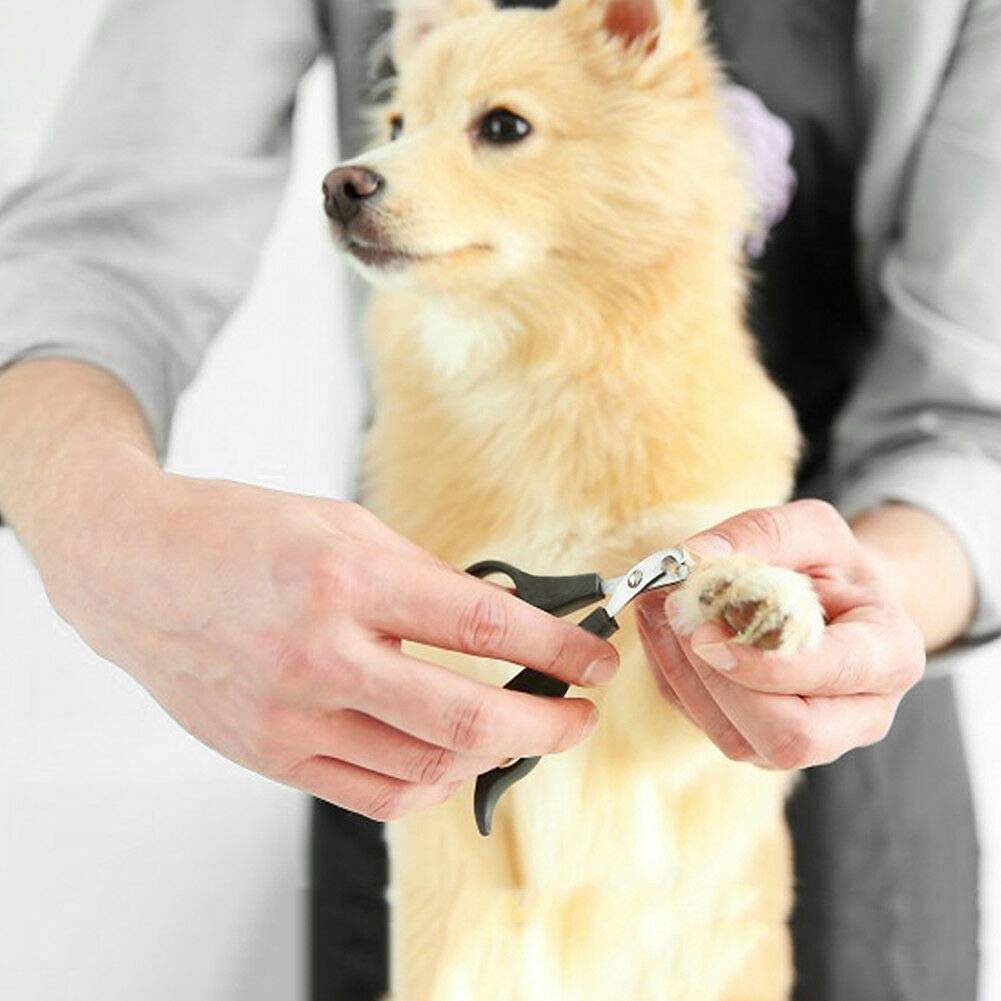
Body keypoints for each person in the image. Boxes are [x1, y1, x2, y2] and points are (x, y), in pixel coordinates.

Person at [0, 1, 996, 999]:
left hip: (836, 706)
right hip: (410, 718)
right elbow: (90, 255)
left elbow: (975, 412)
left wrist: (861, 600)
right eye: (397, 123)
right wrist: (121, 536)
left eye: (502, 125)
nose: (373, 166)